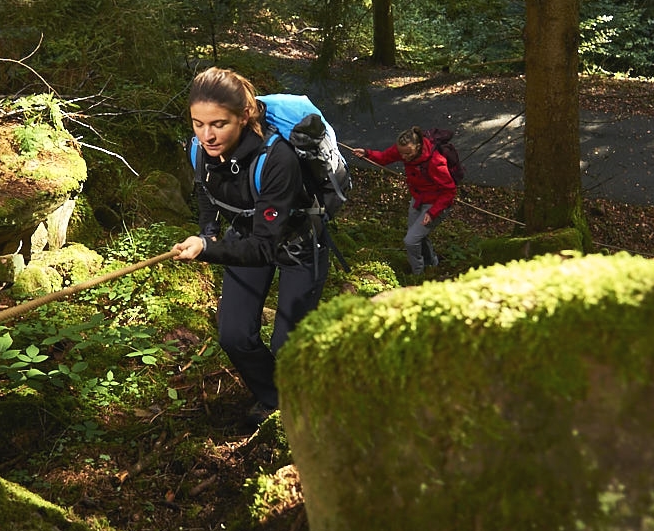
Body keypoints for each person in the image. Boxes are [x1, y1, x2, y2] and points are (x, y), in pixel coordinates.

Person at [172, 67, 329, 432]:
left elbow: (264, 248)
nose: (207, 135)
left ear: (244, 116)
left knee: (288, 344)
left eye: (218, 124)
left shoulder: (277, 159)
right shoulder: (199, 149)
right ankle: (274, 398)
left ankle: (305, 413)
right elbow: (206, 192)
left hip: (299, 244)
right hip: (247, 237)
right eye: (198, 123)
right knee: (234, 335)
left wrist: (208, 247)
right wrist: (207, 231)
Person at [352, 127, 456, 275]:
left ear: (418, 147)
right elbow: (384, 157)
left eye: (408, 153)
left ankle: (418, 274)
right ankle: (431, 264)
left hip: (435, 204)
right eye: (401, 153)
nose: (404, 157)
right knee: (417, 235)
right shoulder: (404, 150)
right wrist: (367, 153)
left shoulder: (435, 162)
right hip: (418, 199)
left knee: (411, 240)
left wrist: (433, 213)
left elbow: (449, 191)